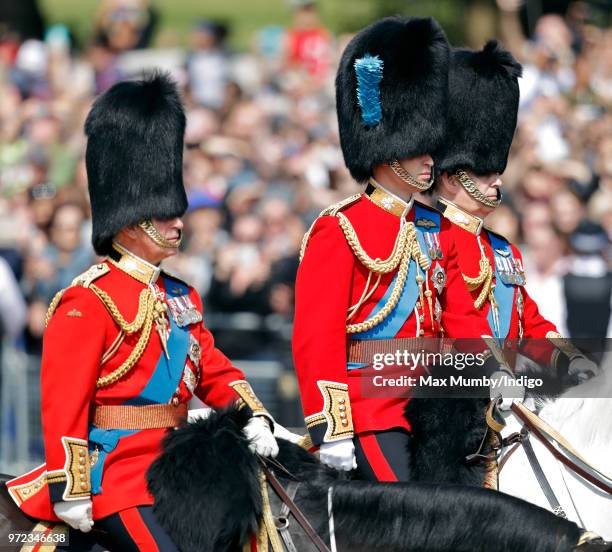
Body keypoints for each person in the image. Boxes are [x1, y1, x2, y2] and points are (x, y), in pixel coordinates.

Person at [6, 74, 278, 550]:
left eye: (177, 211)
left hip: (181, 468)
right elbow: (63, 403)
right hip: (115, 475)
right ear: (129, 221)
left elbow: (210, 368)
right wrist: (69, 486)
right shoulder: (87, 300)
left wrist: (253, 415)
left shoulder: (182, 296)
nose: (178, 222)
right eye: (163, 214)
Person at [293, 17, 510, 483]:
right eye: (420, 148)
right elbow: (318, 335)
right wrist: (331, 427)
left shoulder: (438, 226)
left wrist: (492, 373)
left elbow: (463, 318)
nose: (432, 157)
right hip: (372, 412)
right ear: (390, 149)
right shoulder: (339, 227)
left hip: (437, 411)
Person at [430, 40, 597, 384]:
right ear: (449, 178)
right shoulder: (426, 239)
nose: (497, 180)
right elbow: (454, 323)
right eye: (485, 173)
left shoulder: (502, 250)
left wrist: (569, 360)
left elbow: (529, 324)